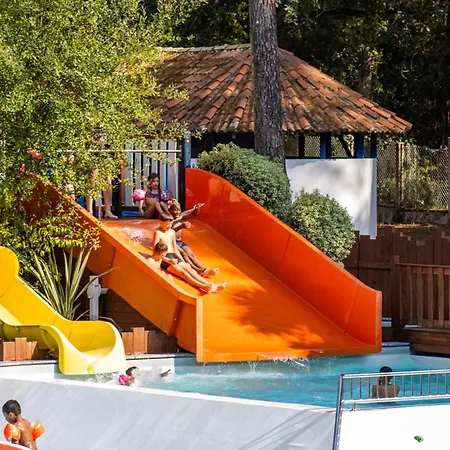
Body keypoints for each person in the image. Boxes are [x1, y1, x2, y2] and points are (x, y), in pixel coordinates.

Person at [152, 219, 226, 294]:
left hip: (172, 256)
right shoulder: (158, 233)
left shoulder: (172, 232)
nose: (169, 226)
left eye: (170, 223)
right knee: (183, 273)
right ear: (161, 223)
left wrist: (182, 261)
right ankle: (204, 286)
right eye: (167, 224)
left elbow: (175, 248)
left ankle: (211, 285)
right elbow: (156, 252)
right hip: (164, 258)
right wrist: (168, 260)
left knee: (191, 270)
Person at [168, 199, 218, 278]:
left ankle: (204, 269)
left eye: (179, 210)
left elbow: (192, 214)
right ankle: (196, 269)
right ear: (169, 210)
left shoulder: (180, 217)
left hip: (180, 242)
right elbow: (168, 233)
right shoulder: (168, 220)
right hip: (172, 243)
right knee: (184, 254)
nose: (177, 212)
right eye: (175, 210)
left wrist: (196, 209)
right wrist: (181, 227)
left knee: (191, 254)